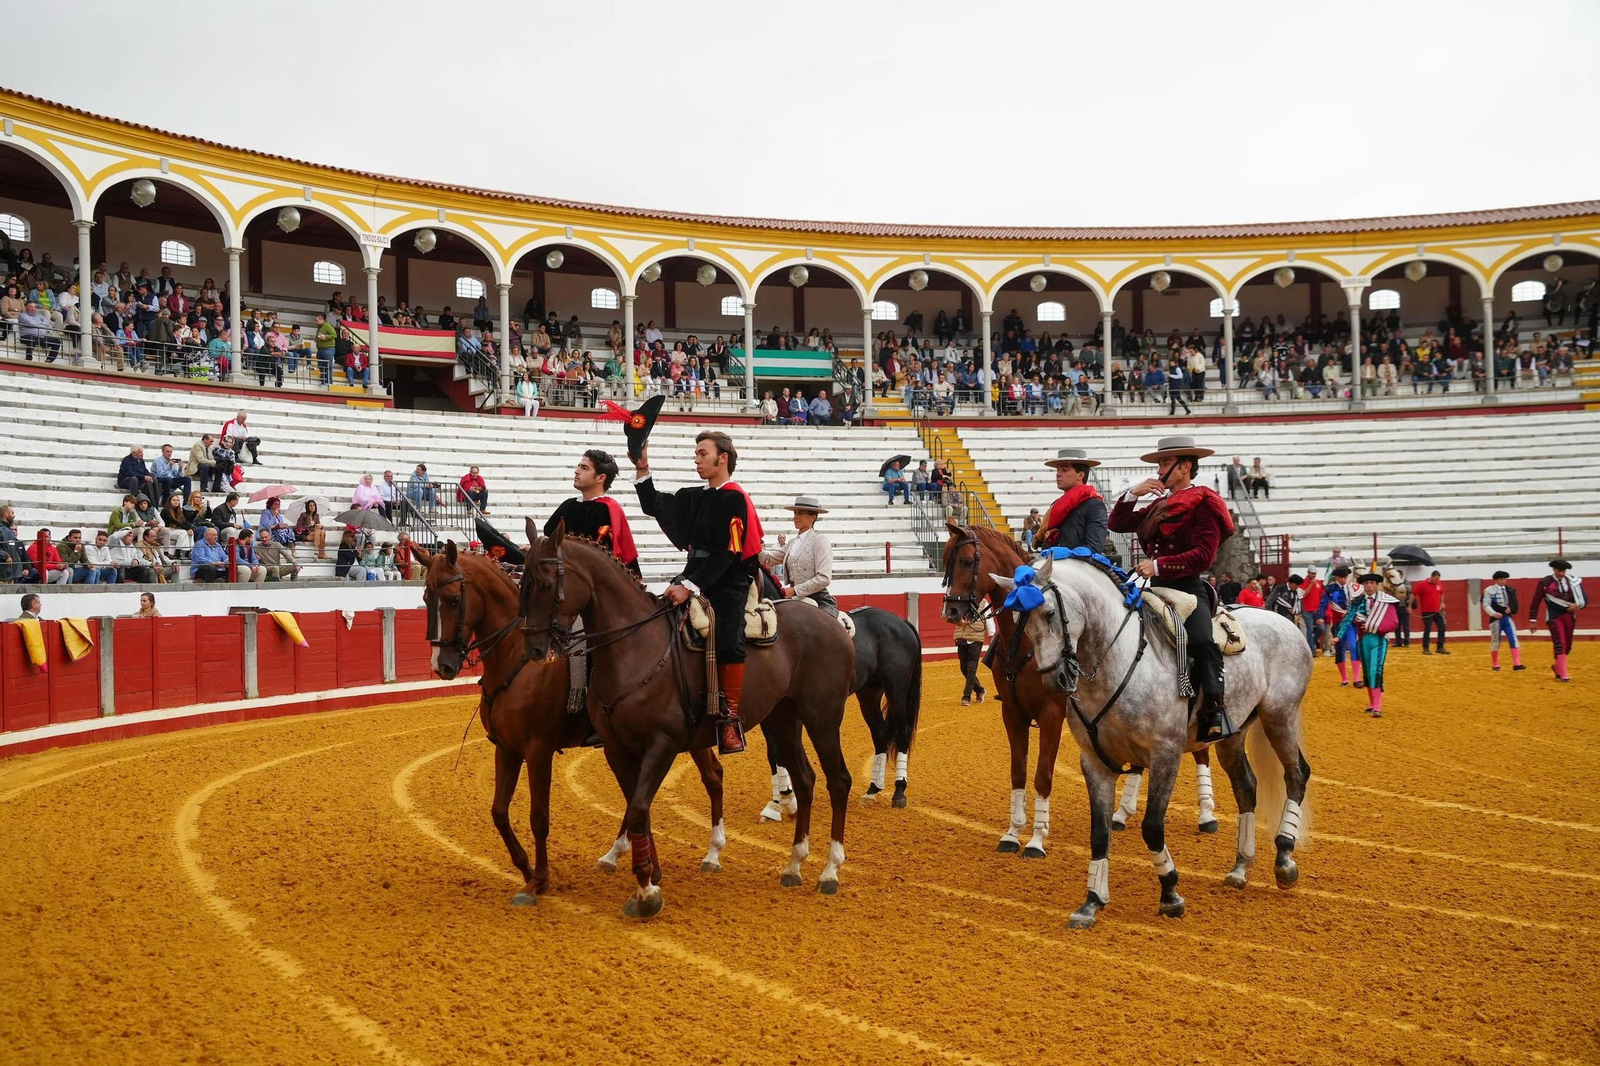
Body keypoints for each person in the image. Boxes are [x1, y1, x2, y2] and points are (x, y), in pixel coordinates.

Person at [634, 431, 764, 755]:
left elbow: (728, 552)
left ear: (723, 458)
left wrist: (689, 587)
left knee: (728, 634)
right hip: (694, 573)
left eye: (702, 453)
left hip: (729, 580)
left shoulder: (735, 499)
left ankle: (730, 718)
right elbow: (654, 504)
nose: (696, 459)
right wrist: (641, 466)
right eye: (695, 454)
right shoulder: (694, 496)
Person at [1109, 435, 1236, 740]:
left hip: (1189, 588)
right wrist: (1131, 493)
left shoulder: (1205, 502)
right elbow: (1117, 522)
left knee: (1204, 641)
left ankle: (1214, 711)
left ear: (1185, 467)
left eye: (1165, 463)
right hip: (1154, 587)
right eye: (1160, 464)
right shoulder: (1159, 504)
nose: (1160, 470)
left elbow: (1204, 555)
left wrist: (1159, 566)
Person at [543, 449, 640, 575]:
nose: (576, 471)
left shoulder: (608, 509)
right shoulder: (568, 505)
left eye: (584, 468)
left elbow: (606, 555)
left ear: (601, 478)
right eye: (578, 466)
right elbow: (550, 534)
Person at [1334, 573, 1400, 717]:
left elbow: (1393, 622)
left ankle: (1377, 707)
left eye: (1372, 583)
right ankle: (1372, 704)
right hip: (1362, 640)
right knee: (1367, 672)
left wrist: (1373, 626)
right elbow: (1348, 619)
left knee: (1375, 670)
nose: (1369, 585)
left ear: (1377, 585)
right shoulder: (1357, 601)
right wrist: (1338, 636)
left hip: (1380, 639)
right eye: (1366, 583)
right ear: (1363, 586)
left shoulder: (1385, 600)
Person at [759, 496, 835, 609]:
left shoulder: (820, 540)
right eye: (795, 514)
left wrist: (795, 590)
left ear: (813, 517)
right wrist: (752, 541)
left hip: (817, 599)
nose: (796, 517)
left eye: (801, 513)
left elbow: (824, 578)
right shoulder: (791, 543)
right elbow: (767, 559)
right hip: (795, 598)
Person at [1038, 448, 1108, 554]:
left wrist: (1070, 555)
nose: (1058, 474)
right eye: (1058, 470)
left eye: (1064, 470)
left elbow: (1095, 546)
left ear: (1080, 475)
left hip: (1081, 567)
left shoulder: (1094, 505)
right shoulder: (1056, 505)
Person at [1529, 558, 1582, 683]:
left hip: (1569, 615)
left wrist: (1577, 605)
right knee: (1560, 643)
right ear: (1554, 569)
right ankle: (1564, 673)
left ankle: (1558, 667)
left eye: (1563, 571)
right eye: (1559, 571)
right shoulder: (1545, 582)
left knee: (1568, 645)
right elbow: (1536, 601)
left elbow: (1580, 597)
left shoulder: (1571, 581)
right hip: (1553, 616)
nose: (1562, 574)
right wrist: (1532, 620)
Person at [1481, 570, 1524, 672]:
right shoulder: (1489, 590)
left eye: (1504, 579)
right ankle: (1495, 664)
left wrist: (1512, 609)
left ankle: (1517, 663)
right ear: (1496, 580)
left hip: (1507, 618)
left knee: (1513, 638)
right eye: (1501, 579)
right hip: (1496, 619)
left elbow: (1514, 604)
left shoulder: (1510, 590)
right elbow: (1486, 605)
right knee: (1496, 641)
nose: (1503, 581)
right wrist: (1493, 613)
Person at [954, 612, 994, 707]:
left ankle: (966, 697)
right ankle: (980, 690)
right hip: (962, 639)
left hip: (976, 639)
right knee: (964, 669)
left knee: (971, 670)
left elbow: (989, 621)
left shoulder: (983, 603)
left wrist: (991, 637)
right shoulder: (962, 600)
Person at [1412, 569, 1448, 655]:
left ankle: (1440, 647)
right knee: (1427, 629)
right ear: (1431, 577)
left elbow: (1441, 594)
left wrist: (1442, 603)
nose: (1437, 581)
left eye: (1438, 579)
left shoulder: (1439, 584)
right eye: (1435, 579)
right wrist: (1410, 606)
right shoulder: (1422, 584)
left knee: (1442, 627)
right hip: (1426, 611)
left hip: (1437, 611)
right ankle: (1426, 648)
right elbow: (1413, 594)